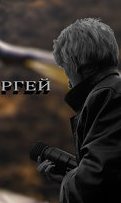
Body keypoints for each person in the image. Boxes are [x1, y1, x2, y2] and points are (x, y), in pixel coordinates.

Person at [37, 17, 121, 202]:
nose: (67, 79)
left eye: (66, 67)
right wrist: (74, 174)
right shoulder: (112, 89)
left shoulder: (107, 95)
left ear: (80, 64)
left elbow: (95, 181)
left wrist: (70, 180)